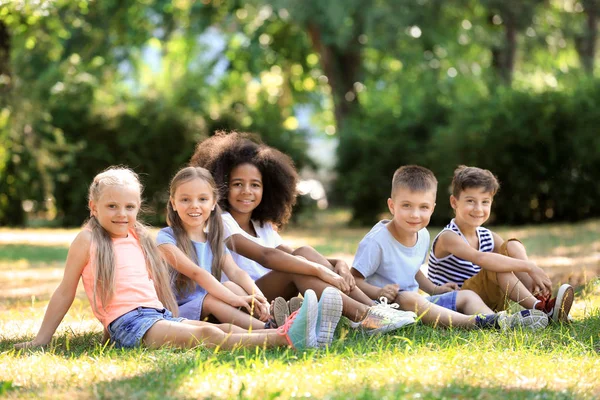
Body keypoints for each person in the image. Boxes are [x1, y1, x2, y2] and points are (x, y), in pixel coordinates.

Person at [14, 167, 342, 351]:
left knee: (225, 326)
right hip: (129, 323)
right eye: (111, 206)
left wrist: (170, 317)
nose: (121, 214)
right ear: (93, 206)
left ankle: (294, 329)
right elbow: (65, 291)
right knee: (208, 336)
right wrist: (43, 339)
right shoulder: (87, 240)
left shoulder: (139, 237)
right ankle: (287, 338)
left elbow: (155, 285)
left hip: (154, 315)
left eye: (129, 207)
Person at [190, 131, 416, 335]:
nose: (247, 191)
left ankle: (375, 310)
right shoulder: (221, 221)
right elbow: (267, 257)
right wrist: (320, 269)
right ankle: (363, 317)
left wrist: (339, 264)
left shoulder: (262, 225)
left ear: (267, 188)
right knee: (295, 268)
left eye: (255, 185)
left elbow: (294, 254)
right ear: (221, 185)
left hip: (269, 298)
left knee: (303, 252)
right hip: (241, 302)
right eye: (237, 184)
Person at [351, 165, 548, 330]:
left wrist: (435, 290)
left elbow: (414, 270)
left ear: (433, 208)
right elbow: (354, 280)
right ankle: (473, 322)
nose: (415, 215)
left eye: (423, 207)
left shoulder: (422, 234)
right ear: (392, 206)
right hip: (384, 308)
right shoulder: (377, 241)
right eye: (406, 206)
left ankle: (498, 321)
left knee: (467, 296)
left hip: (420, 303)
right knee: (409, 297)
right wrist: (378, 293)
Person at [428, 165, 574, 323]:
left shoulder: (487, 236)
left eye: (485, 202)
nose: (478, 209)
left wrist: (530, 269)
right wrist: (530, 267)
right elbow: (481, 258)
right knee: (495, 265)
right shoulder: (448, 237)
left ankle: (541, 300)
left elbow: (510, 252)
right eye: (470, 201)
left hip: (485, 301)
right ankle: (543, 310)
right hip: (453, 304)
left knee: (511, 245)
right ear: (454, 202)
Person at [157, 166, 271, 331]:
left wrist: (259, 297)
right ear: (174, 203)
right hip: (176, 314)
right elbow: (197, 273)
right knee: (213, 298)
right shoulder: (165, 239)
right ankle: (270, 329)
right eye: (185, 200)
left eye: (202, 199)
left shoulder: (213, 240)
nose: (194, 206)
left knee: (230, 285)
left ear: (213, 203)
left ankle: (272, 316)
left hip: (211, 305)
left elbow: (237, 272)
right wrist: (233, 300)